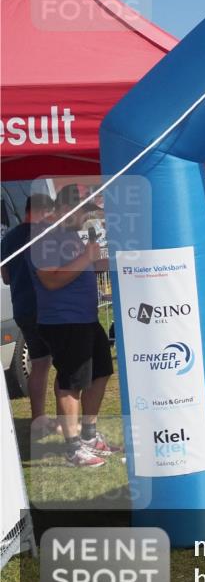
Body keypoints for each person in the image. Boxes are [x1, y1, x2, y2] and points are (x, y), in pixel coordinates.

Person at [30, 186, 119, 468]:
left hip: (85, 318)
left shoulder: (70, 236)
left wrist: (114, 259)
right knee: (71, 383)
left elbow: (87, 266)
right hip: (63, 320)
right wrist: (88, 257)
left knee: (102, 371)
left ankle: (89, 436)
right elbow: (50, 280)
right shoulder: (45, 236)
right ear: (67, 209)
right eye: (84, 212)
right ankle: (73, 449)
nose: (86, 219)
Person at [1, 194, 56, 439]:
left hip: (22, 308)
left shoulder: (8, 238)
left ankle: (38, 419)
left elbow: (5, 277)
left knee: (39, 364)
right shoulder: (45, 236)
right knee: (64, 365)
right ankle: (69, 420)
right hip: (48, 308)